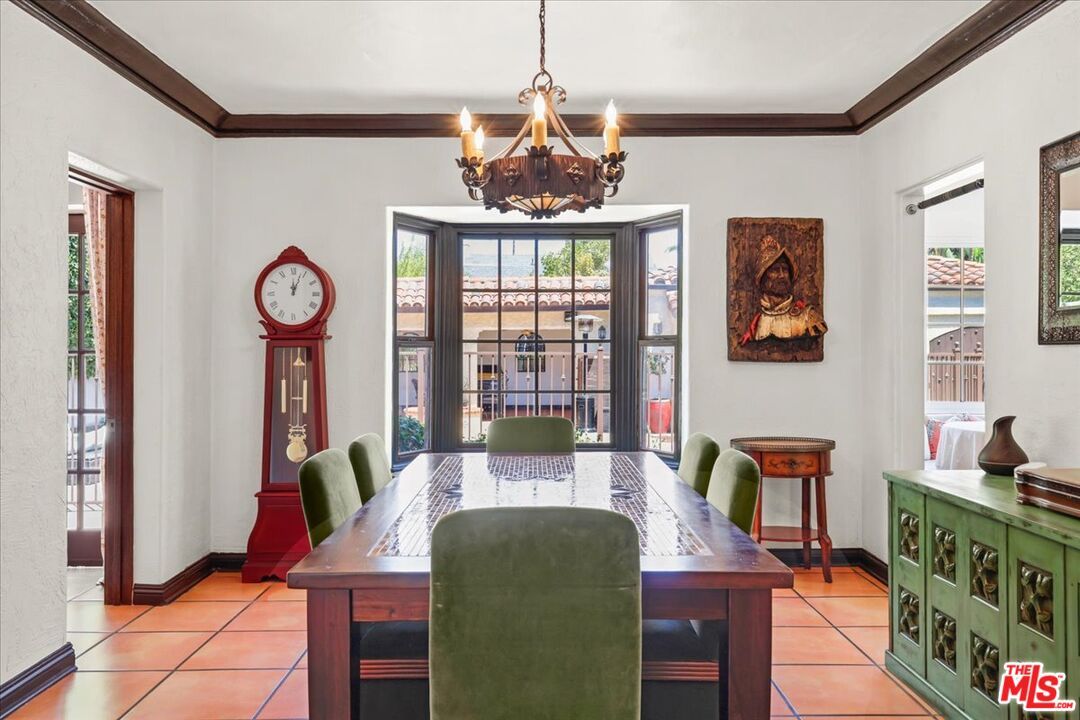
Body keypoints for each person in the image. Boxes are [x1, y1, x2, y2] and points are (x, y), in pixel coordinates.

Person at [739, 234, 827, 345]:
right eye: (775, 270)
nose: (782, 275)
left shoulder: (808, 317)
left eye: (785, 269)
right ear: (763, 278)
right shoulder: (756, 324)